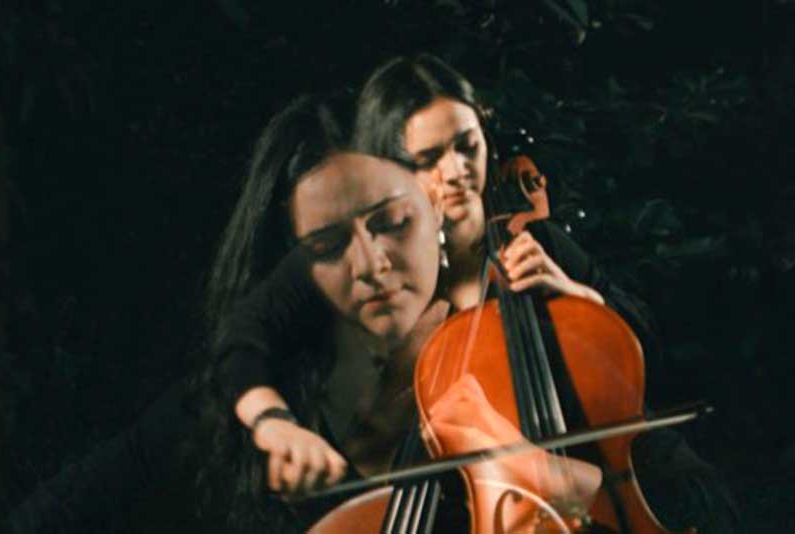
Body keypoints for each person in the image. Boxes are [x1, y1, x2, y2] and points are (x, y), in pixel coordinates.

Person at [215, 55, 739, 532]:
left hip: (627, 488)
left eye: (468, 147)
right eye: (428, 159)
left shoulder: (541, 242)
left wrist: (575, 296)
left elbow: (649, 358)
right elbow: (250, 332)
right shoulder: (380, 279)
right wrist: (274, 421)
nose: (457, 172)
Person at [199, 92, 605, 533]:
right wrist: (273, 423)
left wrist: (581, 304)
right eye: (330, 243)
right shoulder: (288, 358)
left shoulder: (497, 308)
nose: (373, 263)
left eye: (391, 221)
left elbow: (619, 475)